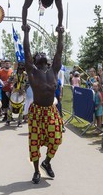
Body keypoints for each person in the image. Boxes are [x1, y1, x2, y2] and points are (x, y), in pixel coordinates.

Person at [23, 24, 64, 184]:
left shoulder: (54, 70)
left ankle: (46, 162)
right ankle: (36, 171)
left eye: (43, 54)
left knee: (56, 139)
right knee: (35, 142)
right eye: (38, 54)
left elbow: (59, 51)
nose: (41, 54)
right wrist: (26, 33)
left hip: (51, 111)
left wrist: (60, 35)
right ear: (34, 60)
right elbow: (26, 51)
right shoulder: (32, 71)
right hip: (37, 112)